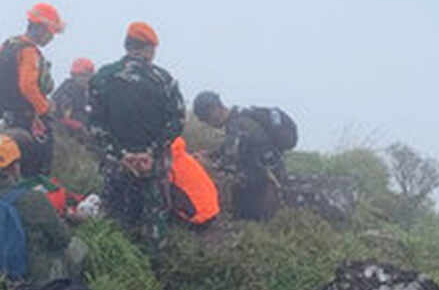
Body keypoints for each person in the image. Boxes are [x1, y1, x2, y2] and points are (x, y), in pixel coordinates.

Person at [87, 22, 185, 251]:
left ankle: (117, 266)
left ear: (126, 45)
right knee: (154, 217)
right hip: (153, 165)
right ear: (150, 49)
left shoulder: (103, 77)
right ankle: (154, 269)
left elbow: (94, 125)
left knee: (115, 215)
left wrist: (122, 155)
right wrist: (150, 153)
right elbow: (177, 122)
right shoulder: (163, 79)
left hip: (116, 165)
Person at [0, 134, 87, 282]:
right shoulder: (34, 198)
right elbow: (62, 239)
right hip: (33, 281)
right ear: (14, 167)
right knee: (78, 248)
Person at [0, 3, 65, 175]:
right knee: (38, 164)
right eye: (51, 33)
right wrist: (45, 109)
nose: (51, 38)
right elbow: (27, 86)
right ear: (41, 28)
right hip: (27, 119)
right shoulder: (29, 51)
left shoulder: (8, 45)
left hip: (8, 117)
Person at [193, 91, 297, 221]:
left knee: (244, 217)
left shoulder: (237, 126)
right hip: (270, 173)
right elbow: (234, 150)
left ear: (214, 110)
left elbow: (229, 166)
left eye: (205, 118)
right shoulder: (241, 118)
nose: (207, 123)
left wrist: (206, 163)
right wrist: (211, 154)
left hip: (262, 184)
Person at [168, 136, 220, 227]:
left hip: (198, 218)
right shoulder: (183, 156)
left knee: (162, 186)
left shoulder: (169, 164)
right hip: (212, 211)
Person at [51, 58, 95, 138]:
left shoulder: (86, 91)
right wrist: (78, 126)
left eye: (89, 75)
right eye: (83, 75)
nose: (86, 79)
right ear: (74, 75)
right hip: (69, 133)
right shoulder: (67, 91)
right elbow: (60, 116)